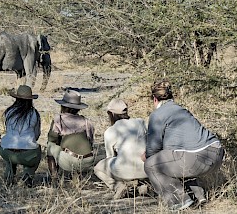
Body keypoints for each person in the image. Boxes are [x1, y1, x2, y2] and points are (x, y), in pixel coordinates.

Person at [142, 80, 224, 211]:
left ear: (154, 99)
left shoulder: (157, 115)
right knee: (176, 160)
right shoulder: (181, 110)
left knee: (151, 164)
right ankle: (198, 196)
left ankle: (180, 202)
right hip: (217, 154)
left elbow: (153, 149)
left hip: (197, 157)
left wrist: (146, 156)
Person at [93, 99, 149, 199]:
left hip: (124, 170)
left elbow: (110, 157)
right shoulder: (141, 122)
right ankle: (142, 185)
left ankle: (118, 186)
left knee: (98, 168)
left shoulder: (110, 131)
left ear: (111, 114)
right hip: (146, 169)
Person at [46, 89, 96, 182]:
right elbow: (90, 141)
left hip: (69, 161)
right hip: (88, 161)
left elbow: (52, 138)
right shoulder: (86, 121)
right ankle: (77, 176)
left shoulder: (59, 119)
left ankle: (54, 178)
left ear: (64, 107)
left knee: (50, 146)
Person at [0, 85, 41, 187]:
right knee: (36, 154)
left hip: (6, 151)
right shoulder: (34, 113)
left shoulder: (9, 111)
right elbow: (36, 134)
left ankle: (9, 175)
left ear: (16, 98)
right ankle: (28, 174)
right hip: (27, 154)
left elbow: (7, 130)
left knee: (10, 161)